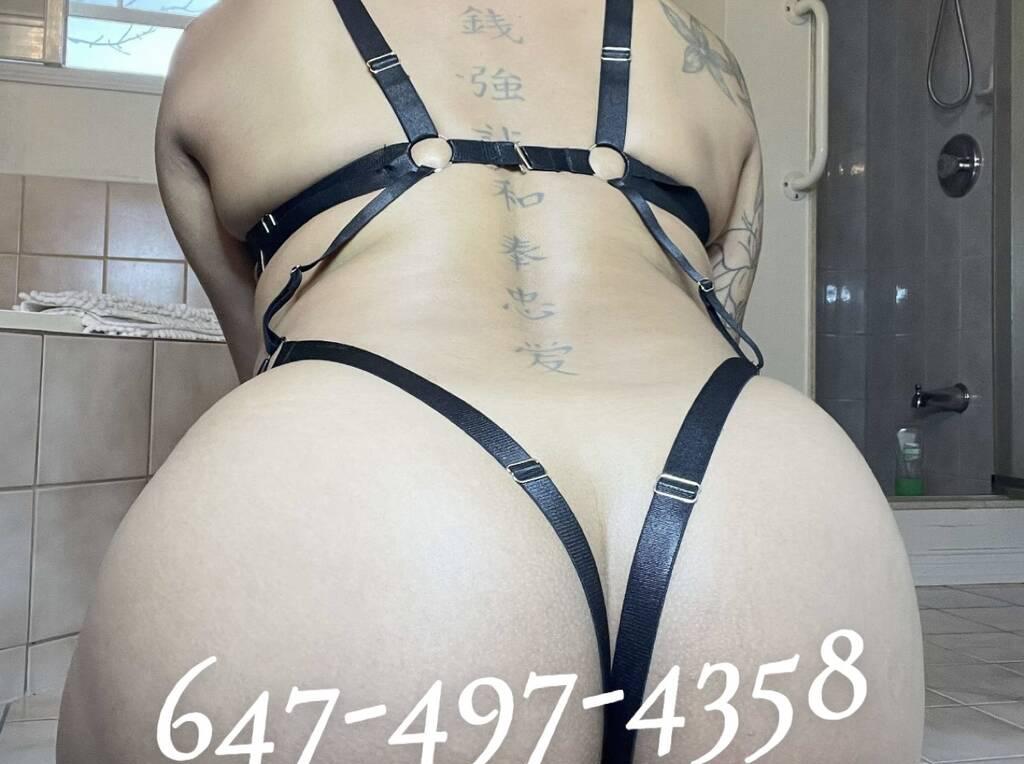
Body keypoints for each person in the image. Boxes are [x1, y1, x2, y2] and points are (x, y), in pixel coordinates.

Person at [57, 0, 923, 761]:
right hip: (757, 500)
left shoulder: (228, 35)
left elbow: (263, 351)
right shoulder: (699, 51)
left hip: (361, 494)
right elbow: (719, 319)